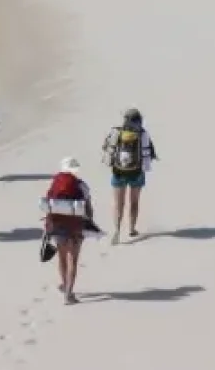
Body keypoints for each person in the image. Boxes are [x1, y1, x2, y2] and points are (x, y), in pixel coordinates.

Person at [101, 107, 159, 244]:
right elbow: (150, 153)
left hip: (118, 172)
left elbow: (106, 147)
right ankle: (132, 229)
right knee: (134, 202)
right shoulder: (143, 134)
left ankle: (117, 229)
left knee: (118, 203)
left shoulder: (116, 132)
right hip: (136, 173)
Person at [42, 157, 94, 304]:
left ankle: (65, 285)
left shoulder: (55, 183)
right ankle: (69, 294)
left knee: (62, 258)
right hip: (75, 227)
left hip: (57, 226)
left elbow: (48, 205)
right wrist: (89, 223)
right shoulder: (81, 185)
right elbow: (88, 208)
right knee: (73, 259)